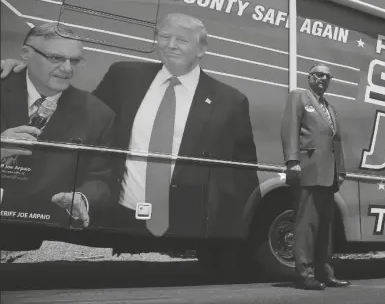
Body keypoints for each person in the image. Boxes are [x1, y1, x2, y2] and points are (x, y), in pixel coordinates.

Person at [1, 13, 259, 242]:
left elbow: (243, 172)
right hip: (117, 214)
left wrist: (233, 230)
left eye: (181, 40)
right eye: (164, 36)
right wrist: (26, 70)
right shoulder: (124, 76)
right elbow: (76, 112)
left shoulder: (230, 102)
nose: (170, 45)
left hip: (184, 224)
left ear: (201, 49)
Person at [0, 23, 115, 228]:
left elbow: (101, 180)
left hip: (43, 229)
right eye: (56, 58)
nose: (67, 69)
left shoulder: (98, 114)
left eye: (75, 61)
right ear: (26, 54)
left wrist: (82, 197)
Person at [280, 63, 350, 290]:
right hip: (308, 171)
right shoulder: (299, 97)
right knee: (306, 226)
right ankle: (304, 274)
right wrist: (292, 161)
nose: (323, 79)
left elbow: (336, 142)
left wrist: (340, 170)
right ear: (309, 77)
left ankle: (325, 273)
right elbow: (289, 128)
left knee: (325, 229)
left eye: (328, 76)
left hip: (329, 176)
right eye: (319, 75)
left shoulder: (331, 109)